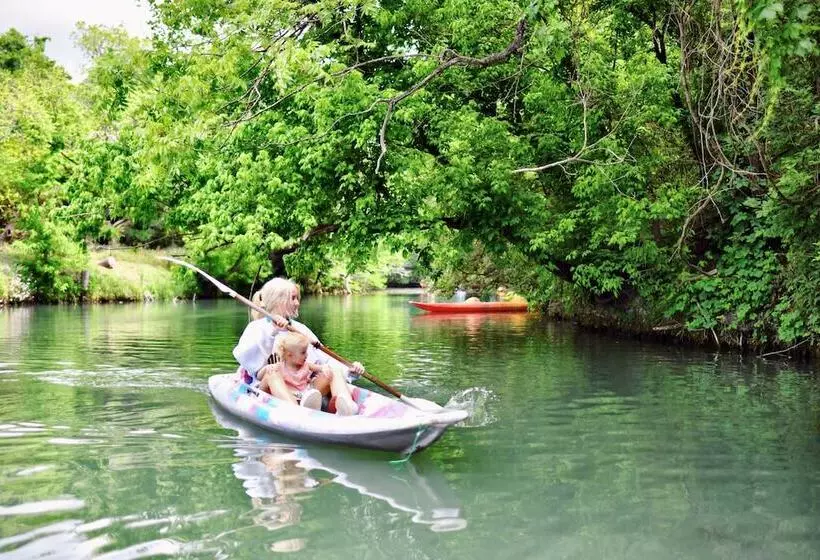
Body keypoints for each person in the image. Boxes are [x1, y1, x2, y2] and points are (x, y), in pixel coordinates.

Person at [233, 277, 362, 414]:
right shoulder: (256, 327)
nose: (297, 303)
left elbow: (324, 359)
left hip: (304, 390)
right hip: (271, 389)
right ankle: (297, 411)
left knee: (334, 368)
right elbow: (252, 364)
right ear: (278, 300)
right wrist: (273, 331)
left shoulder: (301, 329)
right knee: (272, 371)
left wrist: (349, 370)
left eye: (297, 298)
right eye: (293, 298)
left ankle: (346, 407)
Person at [258, 331, 357, 415]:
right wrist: (268, 367)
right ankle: (299, 411)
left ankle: (346, 406)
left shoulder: (306, 365)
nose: (307, 355)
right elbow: (260, 377)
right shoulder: (279, 367)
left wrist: (325, 369)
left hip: (307, 395)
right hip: (291, 398)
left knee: (334, 370)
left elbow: (321, 368)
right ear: (289, 355)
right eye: (303, 352)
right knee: (272, 373)